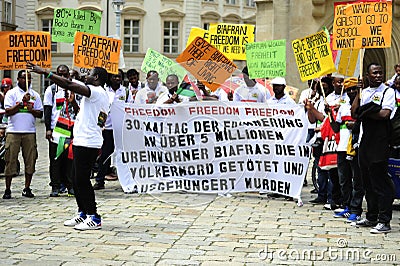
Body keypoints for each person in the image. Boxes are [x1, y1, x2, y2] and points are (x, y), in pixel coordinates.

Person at [28, 62, 109, 230]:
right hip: (81, 140)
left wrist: (46, 73)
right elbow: (86, 114)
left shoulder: (97, 92)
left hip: (88, 143)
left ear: (97, 78)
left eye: (90, 74)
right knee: (75, 178)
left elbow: (68, 83)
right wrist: (72, 103)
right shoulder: (94, 95)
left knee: (82, 180)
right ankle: (83, 213)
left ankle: (94, 216)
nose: (86, 76)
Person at [351, 63, 396, 234]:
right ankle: (371, 216)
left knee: (380, 183)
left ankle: (384, 220)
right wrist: (358, 93)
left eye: (380, 73)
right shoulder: (365, 92)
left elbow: (384, 113)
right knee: (367, 183)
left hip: (379, 143)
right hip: (364, 143)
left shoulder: (387, 92)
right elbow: (355, 112)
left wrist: (365, 112)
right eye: (374, 73)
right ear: (367, 75)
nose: (378, 75)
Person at [327, 78, 364, 223]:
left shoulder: (362, 104)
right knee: (344, 180)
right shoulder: (342, 107)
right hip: (342, 147)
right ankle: (347, 205)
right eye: (349, 89)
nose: (352, 92)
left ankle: (356, 209)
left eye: (354, 89)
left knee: (357, 181)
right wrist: (329, 114)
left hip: (355, 148)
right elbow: (336, 128)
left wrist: (354, 125)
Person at [2, 70, 43, 199]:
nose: (28, 81)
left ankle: (27, 187)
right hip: (13, 131)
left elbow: (40, 113)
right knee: (10, 160)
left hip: (29, 132)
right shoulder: (11, 93)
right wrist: (21, 103)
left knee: (30, 160)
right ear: (18, 79)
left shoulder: (35, 95)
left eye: (30, 78)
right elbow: (8, 111)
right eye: (25, 78)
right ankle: (8, 189)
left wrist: (32, 110)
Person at [43, 65, 81, 197]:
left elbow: (80, 111)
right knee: (56, 159)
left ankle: (70, 185)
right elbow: (47, 110)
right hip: (57, 130)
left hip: (72, 129)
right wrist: (48, 129)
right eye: (60, 75)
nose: (63, 77)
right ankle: (55, 186)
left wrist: (73, 100)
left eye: (66, 75)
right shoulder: (51, 90)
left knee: (70, 159)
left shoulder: (76, 89)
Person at [93, 69, 133, 190]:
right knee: (105, 155)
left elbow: (130, 108)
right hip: (108, 128)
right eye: (115, 77)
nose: (117, 79)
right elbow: (100, 109)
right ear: (110, 78)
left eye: (119, 77)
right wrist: (100, 125)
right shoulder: (105, 91)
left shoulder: (126, 92)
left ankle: (126, 179)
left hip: (121, 129)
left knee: (124, 154)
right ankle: (100, 180)